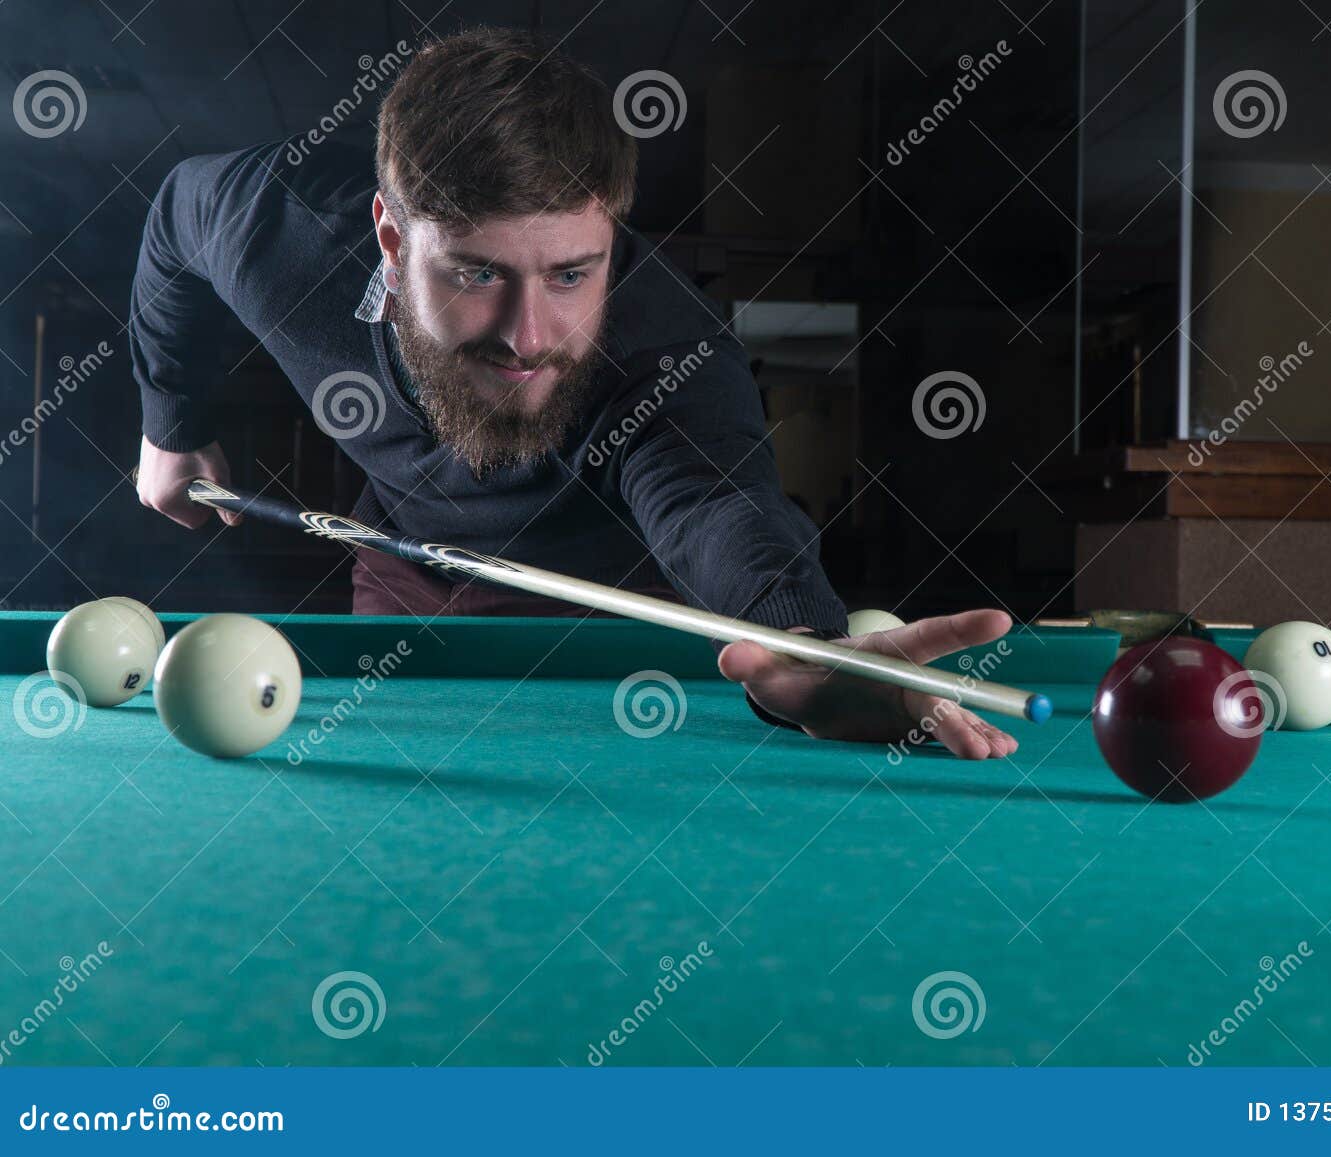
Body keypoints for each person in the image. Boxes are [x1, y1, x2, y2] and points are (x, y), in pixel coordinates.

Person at [131, 27, 1016, 759]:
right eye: (478, 272)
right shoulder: (281, 236)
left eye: (569, 273)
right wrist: (171, 422)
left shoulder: (670, 356)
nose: (528, 334)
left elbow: (719, 507)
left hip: (593, 620)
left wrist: (804, 649)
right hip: (400, 573)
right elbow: (176, 215)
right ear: (392, 242)